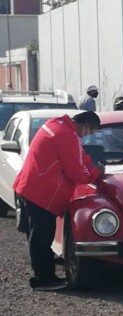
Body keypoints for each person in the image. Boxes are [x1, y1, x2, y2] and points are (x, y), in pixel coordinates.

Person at [13, 111, 104, 291]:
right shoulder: (66, 135)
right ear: (85, 125)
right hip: (41, 194)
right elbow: (77, 173)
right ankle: (43, 279)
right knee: (41, 238)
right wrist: (97, 172)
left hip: (31, 188)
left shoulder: (57, 125)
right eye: (91, 131)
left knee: (38, 236)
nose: (89, 135)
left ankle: (44, 274)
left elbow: (79, 156)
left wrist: (89, 164)